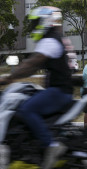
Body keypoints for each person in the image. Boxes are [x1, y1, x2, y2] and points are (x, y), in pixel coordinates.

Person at [0, 6, 73, 169]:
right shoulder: (55, 38)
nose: (33, 27)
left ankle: (52, 147)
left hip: (59, 92)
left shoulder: (50, 40)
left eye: (35, 23)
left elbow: (32, 63)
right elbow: (33, 67)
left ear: (45, 21)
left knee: (27, 110)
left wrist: (9, 78)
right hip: (58, 90)